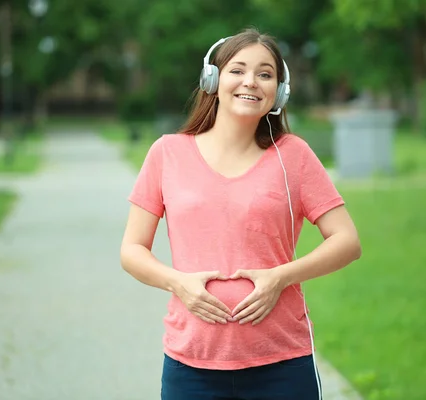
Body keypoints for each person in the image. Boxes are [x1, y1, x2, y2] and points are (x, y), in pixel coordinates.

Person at [120, 28, 361, 400]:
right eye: (238, 70)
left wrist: (281, 277)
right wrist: (178, 283)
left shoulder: (293, 156)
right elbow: (132, 249)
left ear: (279, 92)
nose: (251, 81)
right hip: (192, 364)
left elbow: (347, 241)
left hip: (282, 363)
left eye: (265, 74)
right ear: (212, 79)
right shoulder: (167, 153)